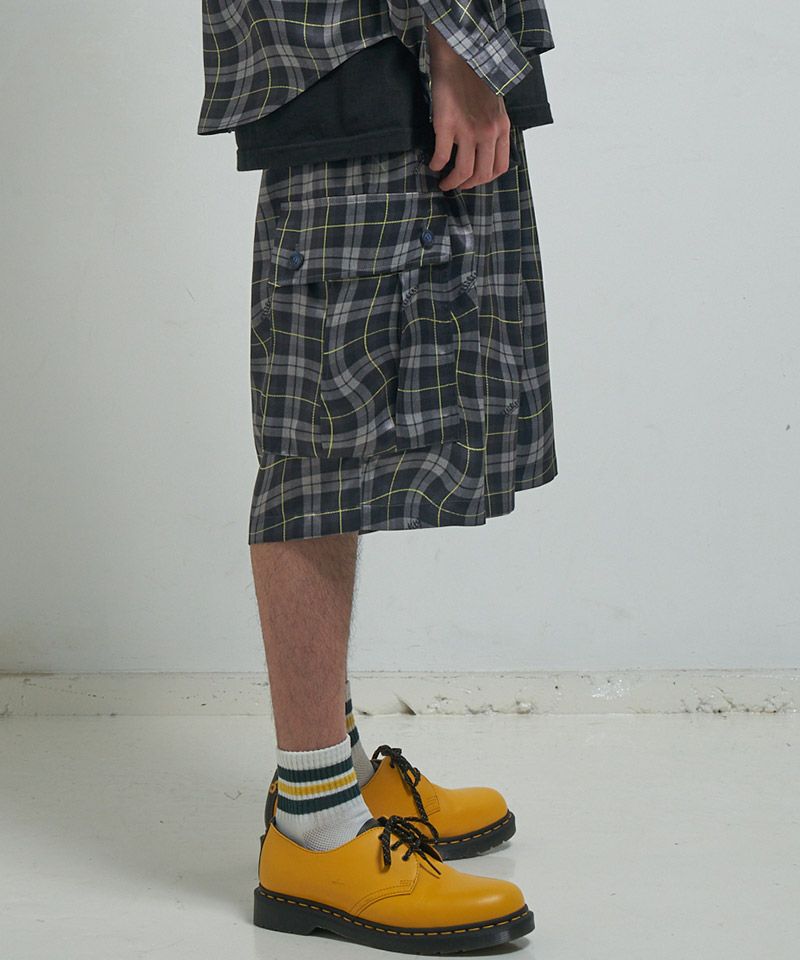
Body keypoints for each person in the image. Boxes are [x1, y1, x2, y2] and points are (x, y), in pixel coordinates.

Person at [197, 1, 558, 951]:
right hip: (368, 45)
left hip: (398, 50)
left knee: (346, 441)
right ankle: (314, 824)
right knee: (319, 451)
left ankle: (341, 774)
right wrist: (459, 48)